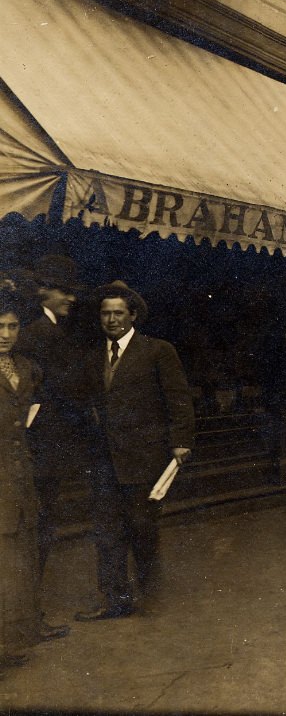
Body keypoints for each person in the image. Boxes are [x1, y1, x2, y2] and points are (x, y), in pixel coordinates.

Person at [76, 282, 194, 621]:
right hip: (104, 462)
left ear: (133, 316)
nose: (111, 319)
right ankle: (114, 600)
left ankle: (150, 596)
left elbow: (178, 398)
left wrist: (181, 440)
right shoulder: (92, 357)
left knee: (143, 530)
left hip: (145, 461)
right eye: (105, 313)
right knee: (107, 531)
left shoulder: (157, 351)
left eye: (118, 313)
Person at [13, 256, 82, 639]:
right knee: (35, 530)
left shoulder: (53, 330)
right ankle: (26, 618)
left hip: (49, 447)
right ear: (45, 292)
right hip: (39, 448)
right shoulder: (38, 334)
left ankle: (27, 615)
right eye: (64, 291)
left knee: (40, 530)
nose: (71, 298)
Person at [0, 288, 65, 675]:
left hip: (22, 473)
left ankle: (25, 626)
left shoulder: (28, 368)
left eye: (12, 326)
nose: (5, 333)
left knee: (25, 550)